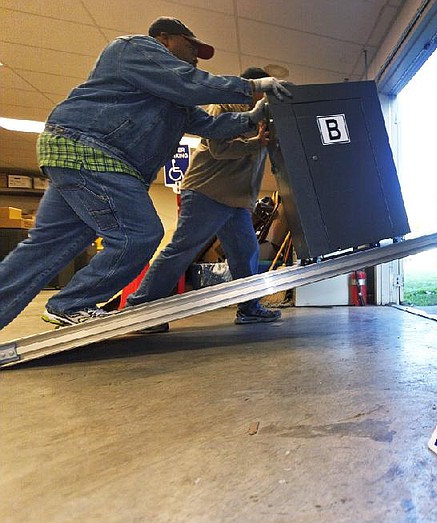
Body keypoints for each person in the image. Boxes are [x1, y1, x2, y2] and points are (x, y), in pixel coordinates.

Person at [0, 17, 291, 330]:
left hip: (80, 157)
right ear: (164, 39)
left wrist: (254, 116)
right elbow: (189, 82)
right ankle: (73, 303)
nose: (195, 55)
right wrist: (253, 87)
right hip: (93, 151)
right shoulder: (132, 48)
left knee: (46, 246)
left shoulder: (174, 101)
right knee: (140, 234)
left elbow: (212, 127)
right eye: (190, 46)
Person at [126, 67, 282, 333]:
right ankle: (142, 309)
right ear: (252, 89)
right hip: (206, 192)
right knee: (183, 250)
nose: (263, 99)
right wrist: (256, 143)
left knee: (246, 254)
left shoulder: (264, 118)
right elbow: (219, 149)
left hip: (236, 200)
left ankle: (249, 308)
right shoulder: (223, 107)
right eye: (261, 93)